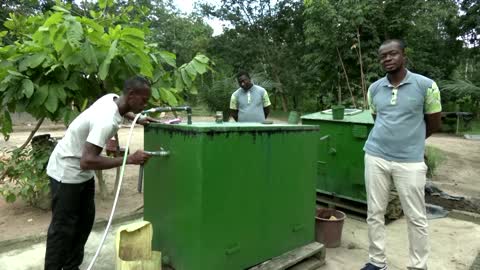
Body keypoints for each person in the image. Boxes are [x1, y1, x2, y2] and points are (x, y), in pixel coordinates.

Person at [44, 76, 154, 270]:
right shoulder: (106, 121)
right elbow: (87, 161)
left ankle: (71, 267)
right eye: (143, 100)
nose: (145, 104)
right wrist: (130, 159)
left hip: (81, 175)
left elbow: (122, 109)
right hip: (65, 172)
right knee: (62, 230)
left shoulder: (112, 98)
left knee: (84, 223)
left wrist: (140, 119)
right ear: (131, 95)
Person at [361, 39, 442, 270]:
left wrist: (409, 142)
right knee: (374, 212)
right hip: (376, 156)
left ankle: (418, 265)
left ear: (404, 55)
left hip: (410, 162)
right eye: (383, 56)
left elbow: (434, 123)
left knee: (416, 216)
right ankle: (376, 262)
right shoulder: (374, 88)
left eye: (392, 54)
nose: (387, 59)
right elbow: (377, 119)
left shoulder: (426, 86)